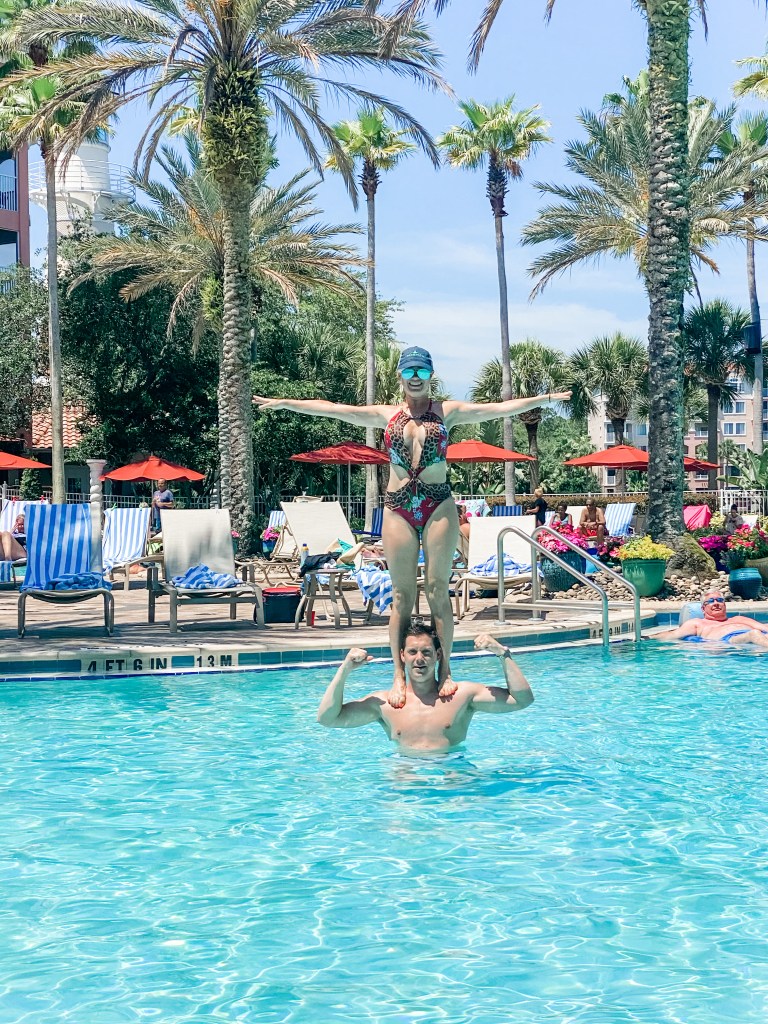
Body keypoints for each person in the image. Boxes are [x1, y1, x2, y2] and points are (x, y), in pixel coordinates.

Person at [255, 345, 569, 708]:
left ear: (430, 375)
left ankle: (445, 669)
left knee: (437, 589)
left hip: (438, 504)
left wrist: (545, 398)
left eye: (421, 371)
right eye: (409, 371)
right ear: (401, 376)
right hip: (398, 506)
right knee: (402, 596)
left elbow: (500, 409)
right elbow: (335, 409)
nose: (415, 377)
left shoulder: (448, 411)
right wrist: (285, 403)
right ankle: (398, 674)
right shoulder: (386, 415)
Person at [317, 623, 534, 754]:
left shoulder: (462, 696)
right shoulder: (385, 703)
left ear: (437, 655)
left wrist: (502, 653)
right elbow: (327, 719)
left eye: (426, 652)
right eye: (412, 652)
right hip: (406, 774)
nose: (419, 659)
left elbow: (522, 700)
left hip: (452, 770)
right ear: (402, 656)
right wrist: (345, 669)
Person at [655, 589, 768, 647]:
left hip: (759, 638)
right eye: (710, 601)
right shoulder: (697, 623)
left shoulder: (739, 619)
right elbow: (673, 634)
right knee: (754, 634)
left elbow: (764, 628)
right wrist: (648, 638)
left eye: (719, 600)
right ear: (703, 609)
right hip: (730, 640)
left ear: (725, 605)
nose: (716, 603)